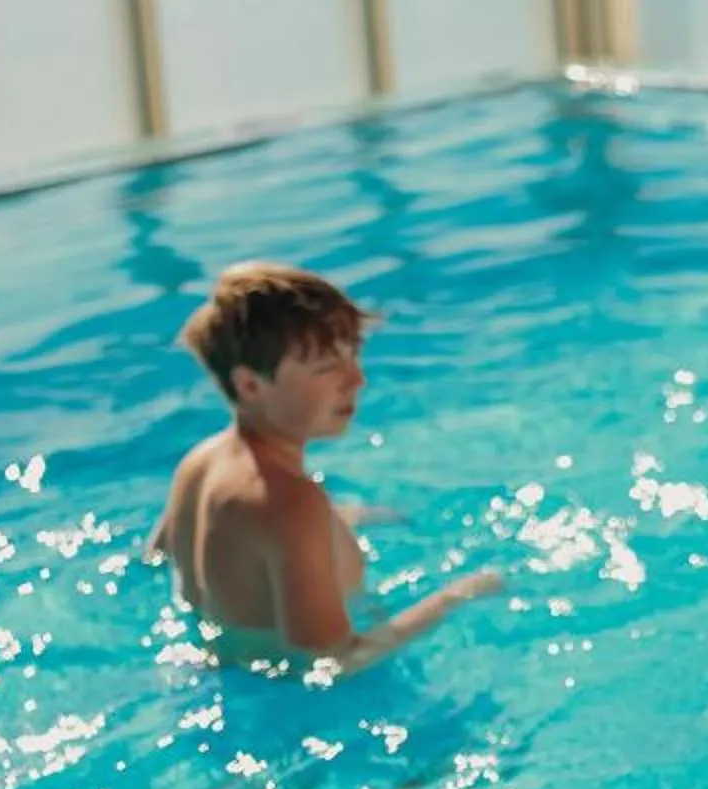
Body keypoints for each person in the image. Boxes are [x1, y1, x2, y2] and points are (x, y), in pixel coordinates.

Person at [147, 263, 502, 673]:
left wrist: (339, 522)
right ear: (250, 385)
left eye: (352, 356)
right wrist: (457, 596)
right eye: (327, 368)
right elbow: (332, 664)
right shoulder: (292, 505)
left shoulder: (200, 462)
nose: (357, 380)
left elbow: (163, 556)